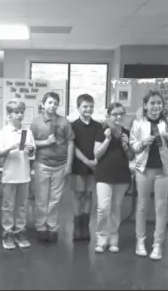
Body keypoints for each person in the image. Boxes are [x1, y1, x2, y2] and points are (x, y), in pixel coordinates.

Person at [129, 90, 168, 261]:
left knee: (161, 208)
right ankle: (140, 241)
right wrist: (142, 143)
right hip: (143, 170)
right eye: (152, 103)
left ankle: (158, 244)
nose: (156, 106)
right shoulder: (138, 123)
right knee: (142, 206)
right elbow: (133, 147)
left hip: (163, 171)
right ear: (145, 105)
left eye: (159, 103)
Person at [30, 92, 75, 243]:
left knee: (55, 199)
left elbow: (70, 142)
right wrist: (46, 143)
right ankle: (41, 226)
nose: (53, 105)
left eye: (56, 103)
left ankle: (53, 226)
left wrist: (68, 165)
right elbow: (29, 143)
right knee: (42, 199)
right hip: (42, 164)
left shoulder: (64, 122)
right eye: (50, 102)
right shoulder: (36, 122)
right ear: (43, 104)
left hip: (60, 166)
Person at [93, 102, 135, 253]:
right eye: (115, 114)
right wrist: (107, 140)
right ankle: (101, 239)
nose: (118, 117)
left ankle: (113, 239)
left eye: (121, 114)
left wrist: (125, 146)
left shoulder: (127, 133)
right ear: (108, 116)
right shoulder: (101, 131)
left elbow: (131, 156)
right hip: (104, 174)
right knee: (103, 208)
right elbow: (96, 155)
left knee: (116, 208)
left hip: (121, 175)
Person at [0, 99, 36, 250]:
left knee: (22, 206)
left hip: (24, 175)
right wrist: (10, 147)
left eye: (21, 112)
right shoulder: (4, 132)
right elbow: (0, 153)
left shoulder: (27, 132)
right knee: (8, 206)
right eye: (16, 112)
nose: (19, 115)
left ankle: (20, 231)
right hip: (9, 176)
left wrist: (31, 149)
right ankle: (7, 233)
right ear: (9, 115)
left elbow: (31, 154)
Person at [70, 94, 102, 241]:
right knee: (78, 195)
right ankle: (77, 227)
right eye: (85, 106)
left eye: (90, 106)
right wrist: (86, 161)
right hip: (79, 165)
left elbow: (100, 145)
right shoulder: (73, 126)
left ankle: (85, 226)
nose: (88, 109)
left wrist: (94, 161)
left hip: (93, 166)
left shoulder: (98, 126)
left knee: (89, 195)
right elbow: (73, 147)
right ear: (78, 108)